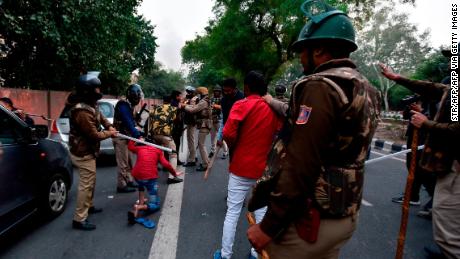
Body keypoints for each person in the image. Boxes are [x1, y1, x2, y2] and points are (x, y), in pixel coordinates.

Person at [246, 1, 381, 258]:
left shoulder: (320, 86)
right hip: (344, 215)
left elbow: (301, 163)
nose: (300, 57)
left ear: (318, 50)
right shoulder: (364, 87)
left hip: (311, 221)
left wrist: (269, 225)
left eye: (303, 50)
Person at [380, 51, 460, 259]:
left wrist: (426, 124)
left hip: (457, 170)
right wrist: (396, 78)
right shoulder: (454, 88)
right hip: (448, 164)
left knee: (446, 228)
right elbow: (431, 88)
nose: (451, 63)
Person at [213, 71, 282, 259]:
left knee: (233, 212)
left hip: (240, 168)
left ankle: (226, 255)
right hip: (264, 170)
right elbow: (281, 133)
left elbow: (227, 133)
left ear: (247, 88)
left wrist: (236, 146)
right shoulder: (273, 108)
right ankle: (256, 253)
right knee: (261, 212)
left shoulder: (241, 105)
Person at [69, 73, 118, 230]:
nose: (99, 90)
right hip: (83, 152)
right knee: (86, 184)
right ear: (88, 91)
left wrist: (109, 126)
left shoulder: (91, 104)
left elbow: (101, 117)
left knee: (91, 181)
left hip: (88, 150)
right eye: (96, 88)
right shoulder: (81, 111)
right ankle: (79, 218)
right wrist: (110, 133)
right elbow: (94, 135)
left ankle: (88, 206)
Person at [127, 140, 183, 228]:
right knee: (155, 204)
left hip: (137, 176)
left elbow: (130, 147)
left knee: (141, 184)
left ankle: (140, 203)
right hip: (149, 178)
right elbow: (166, 164)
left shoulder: (140, 148)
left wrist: (134, 139)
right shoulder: (158, 151)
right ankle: (139, 207)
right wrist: (174, 174)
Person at [113, 84, 143, 193]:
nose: (138, 99)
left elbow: (133, 121)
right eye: (137, 97)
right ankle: (121, 185)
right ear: (133, 96)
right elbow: (128, 123)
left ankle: (129, 180)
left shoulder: (129, 105)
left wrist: (137, 120)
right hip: (120, 137)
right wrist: (139, 136)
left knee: (129, 161)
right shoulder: (123, 105)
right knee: (123, 162)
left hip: (126, 136)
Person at [145, 95, 182, 184]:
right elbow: (178, 120)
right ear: (171, 101)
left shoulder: (155, 109)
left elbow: (149, 120)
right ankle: (172, 177)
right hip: (165, 136)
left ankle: (149, 175)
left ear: (163, 100)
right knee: (173, 154)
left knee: (157, 155)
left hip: (154, 136)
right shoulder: (173, 109)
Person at [184, 87, 212, 171]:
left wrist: (185, 106)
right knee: (201, 144)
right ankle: (206, 161)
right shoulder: (205, 100)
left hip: (205, 124)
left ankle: (205, 164)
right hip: (204, 124)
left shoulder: (203, 102)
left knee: (201, 145)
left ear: (201, 94)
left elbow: (193, 110)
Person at [209, 86, 229, 159]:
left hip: (219, 119)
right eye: (215, 91)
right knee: (212, 136)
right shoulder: (211, 98)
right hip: (212, 119)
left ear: (220, 92)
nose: (216, 92)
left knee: (220, 136)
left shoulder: (222, 99)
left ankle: (225, 151)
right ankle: (213, 150)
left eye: (218, 91)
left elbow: (222, 107)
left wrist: (215, 106)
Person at [183, 86, 199, 167]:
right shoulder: (188, 99)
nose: (188, 93)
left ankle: (192, 159)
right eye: (187, 92)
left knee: (191, 140)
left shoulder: (195, 99)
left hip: (192, 122)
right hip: (189, 122)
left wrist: (184, 105)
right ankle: (194, 156)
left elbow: (193, 110)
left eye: (189, 92)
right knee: (190, 139)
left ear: (193, 92)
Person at [170, 90, 185, 165]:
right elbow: (177, 114)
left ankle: (175, 159)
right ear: (176, 96)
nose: (181, 97)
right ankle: (174, 160)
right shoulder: (174, 103)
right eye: (180, 96)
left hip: (177, 127)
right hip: (175, 127)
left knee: (175, 144)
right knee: (175, 144)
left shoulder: (175, 102)